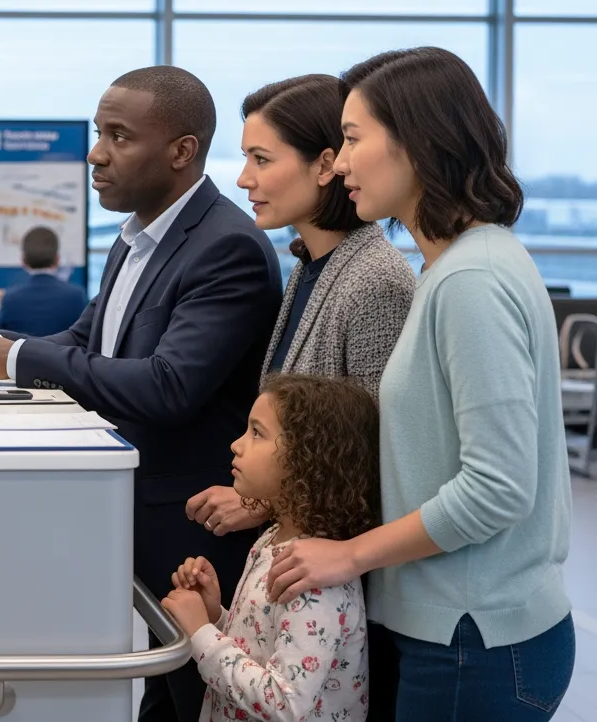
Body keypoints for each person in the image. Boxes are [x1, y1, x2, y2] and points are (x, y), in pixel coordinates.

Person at [0, 65, 283, 721]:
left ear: (181, 151)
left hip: (194, 533)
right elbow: (89, 340)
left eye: (119, 137)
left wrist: (10, 356)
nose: (96, 154)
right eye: (100, 133)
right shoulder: (134, 239)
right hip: (137, 521)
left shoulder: (226, 246)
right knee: (161, 699)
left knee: (193, 703)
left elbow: (168, 385)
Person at [265, 47, 575, 720]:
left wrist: (349, 555)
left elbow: (498, 487)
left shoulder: (470, 280)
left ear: (417, 140)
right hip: (466, 629)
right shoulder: (456, 266)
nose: (340, 162)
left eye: (352, 139)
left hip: (475, 637)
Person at [182, 74, 416, 720]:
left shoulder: (374, 281)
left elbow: (374, 464)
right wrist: (258, 499)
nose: (243, 179)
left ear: (323, 166)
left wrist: (259, 507)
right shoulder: (310, 268)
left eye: (261, 159)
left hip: (339, 591)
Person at [162, 373, 379, 721]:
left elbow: (285, 703)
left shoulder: (315, 580)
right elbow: (264, 648)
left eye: (257, 433)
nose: (237, 444)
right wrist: (216, 615)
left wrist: (200, 635)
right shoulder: (274, 538)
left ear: (306, 460)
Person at [0, 226, 89, 337]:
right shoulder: (76, 296)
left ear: (23, 260)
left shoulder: (10, 298)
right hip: (62, 354)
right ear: (57, 259)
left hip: (24, 354)